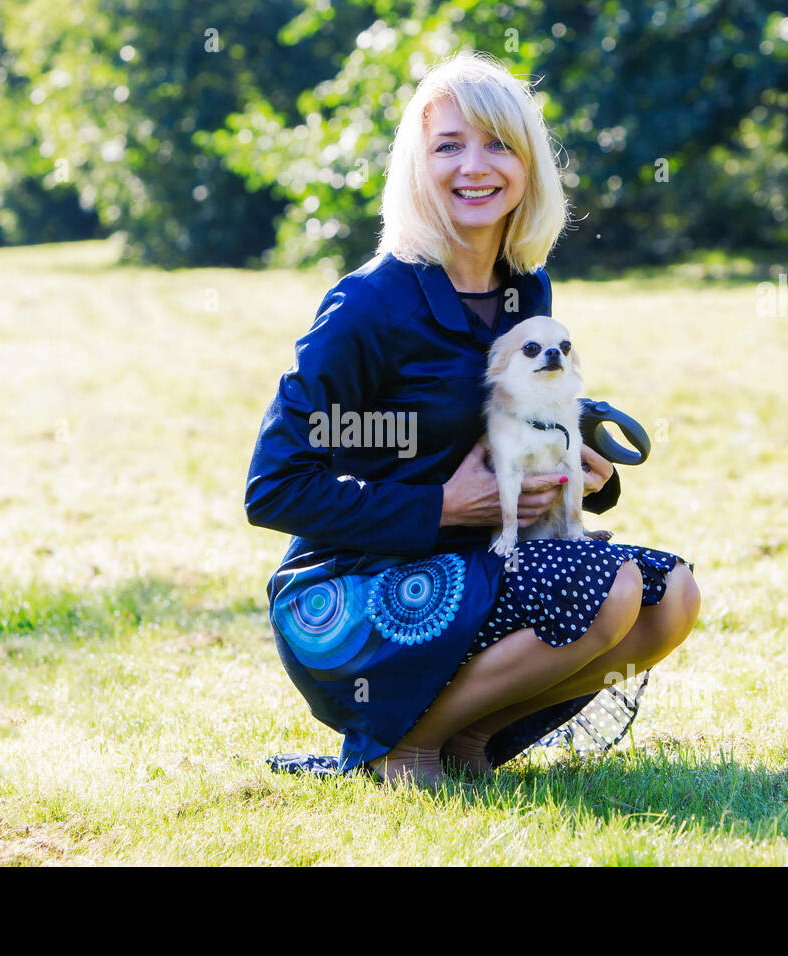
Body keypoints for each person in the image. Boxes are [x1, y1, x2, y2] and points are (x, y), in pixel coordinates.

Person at [245, 51, 700, 788]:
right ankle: (402, 747)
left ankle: (467, 740)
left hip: (474, 567)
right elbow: (274, 489)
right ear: (416, 167)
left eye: (497, 144)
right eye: (448, 146)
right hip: (353, 597)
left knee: (669, 596)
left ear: (528, 165)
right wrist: (441, 506)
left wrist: (585, 471)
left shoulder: (526, 288)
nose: (474, 167)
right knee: (607, 588)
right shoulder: (365, 308)